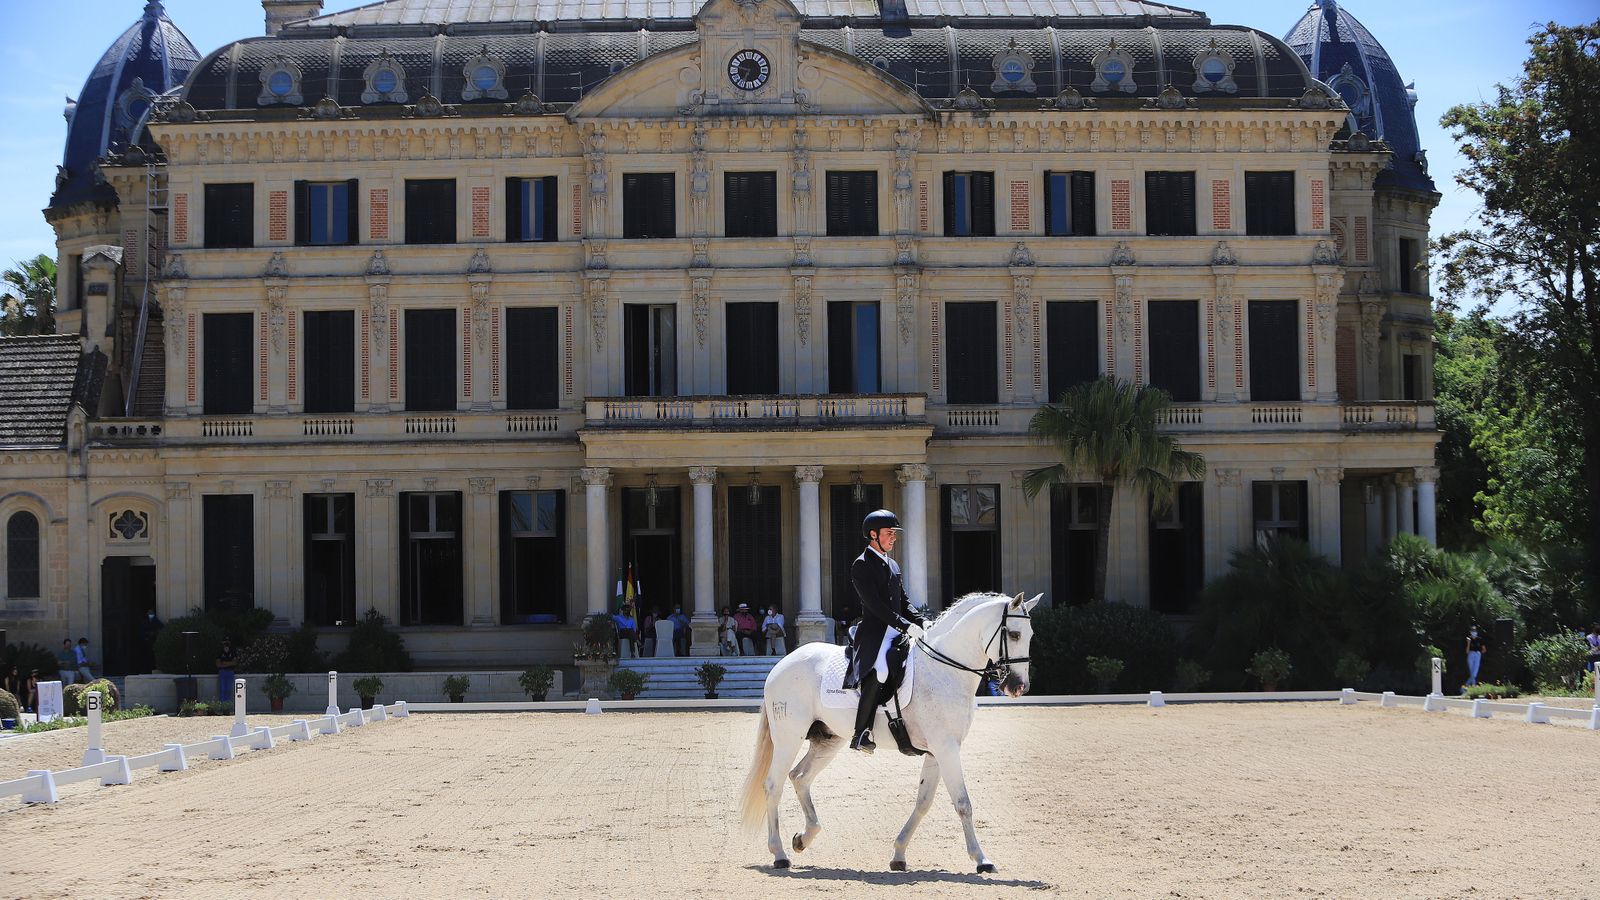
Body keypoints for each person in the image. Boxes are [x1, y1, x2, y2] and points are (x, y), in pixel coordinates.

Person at [845, 509, 930, 754]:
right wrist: (905, 625)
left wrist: (921, 621)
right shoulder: (861, 565)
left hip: (897, 630)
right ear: (873, 535)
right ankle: (861, 733)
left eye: (894, 533)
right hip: (876, 633)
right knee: (881, 670)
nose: (894, 537)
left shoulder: (892, 564)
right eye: (889, 533)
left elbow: (903, 600)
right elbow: (876, 606)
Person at [140, 607, 163, 674]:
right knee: (146, 658)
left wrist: (154, 633)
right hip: (146, 644)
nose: (150, 614)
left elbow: (161, 628)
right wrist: (146, 636)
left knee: (153, 657)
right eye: (149, 613)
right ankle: (146, 670)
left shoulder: (156, 621)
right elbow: (141, 632)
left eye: (151, 613)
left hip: (154, 642)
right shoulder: (144, 622)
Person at [216, 638, 238, 703]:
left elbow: (234, 663)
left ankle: (227, 705)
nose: (226, 645)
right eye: (225, 643)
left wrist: (224, 663)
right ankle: (222, 705)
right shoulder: (220, 652)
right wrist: (229, 663)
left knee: (228, 689)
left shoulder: (233, 652)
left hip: (230, 672)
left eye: (227, 643)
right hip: (222, 672)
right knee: (222, 689)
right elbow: (218, 664)